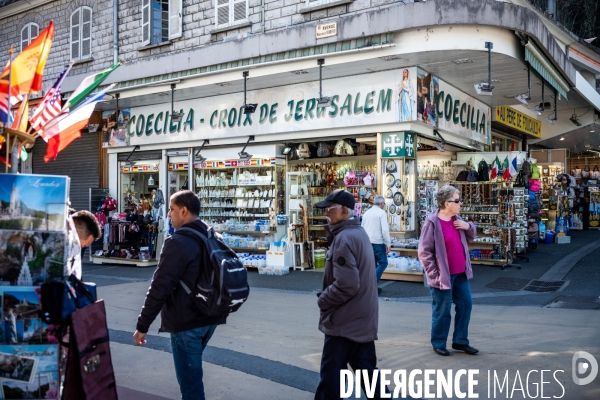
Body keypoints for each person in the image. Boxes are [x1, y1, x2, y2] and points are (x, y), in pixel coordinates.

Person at [133, 190, 226, 400]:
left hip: (187, 322)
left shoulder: (177, 242)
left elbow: (160, 287)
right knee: (192, 376)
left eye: (172, 209)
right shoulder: (213, 236)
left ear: (183, 211)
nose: (168, 214)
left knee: (191, 386)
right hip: (210, 317)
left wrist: (142, 325)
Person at [313, 189, 386, 399]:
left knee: (331, 376)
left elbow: (347, 285)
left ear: (344, 210)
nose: (327, 213)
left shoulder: (344, 238)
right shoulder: (358, 232)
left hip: (345, 320)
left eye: (330, 209)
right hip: (361, 316)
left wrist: (324, 299)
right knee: (366, 371)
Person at [418, 185, 478, 357]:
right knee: (442, 310)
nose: (460, 203)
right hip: (442, 275)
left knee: (466, 304)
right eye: (457, 200)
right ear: (446, 203)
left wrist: (468, 226)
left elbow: (471, 237)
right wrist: (434, 275)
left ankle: (460, 340)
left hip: (460, 273)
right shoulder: (432, 223)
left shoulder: (456, 219)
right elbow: (424, 252)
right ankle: (438, 342)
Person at [361, 195, 391, 294]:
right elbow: (385, 230)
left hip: (367, 241)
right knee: (383, 263)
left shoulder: (367, 213)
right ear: (381, 204)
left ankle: (370, 286)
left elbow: (362, 227)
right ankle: (372, 284)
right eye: (384, 204)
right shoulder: (382, 213)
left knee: (372, 264)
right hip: (378, 242)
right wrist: (388, 243)